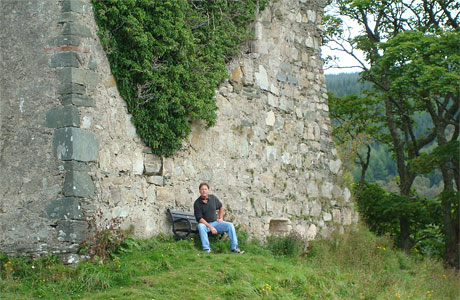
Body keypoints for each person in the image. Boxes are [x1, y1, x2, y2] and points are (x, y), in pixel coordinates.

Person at [193, 183, 244, 254]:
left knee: (230, 225)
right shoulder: (197, 203)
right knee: (200, 226)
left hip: (215, 223)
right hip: (205, 225)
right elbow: (199, 218)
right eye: (202, 189)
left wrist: (220, 218)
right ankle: (206, 249)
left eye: (205, 189)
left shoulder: (213, 198)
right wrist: (210, 227)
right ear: (199, 191)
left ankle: (234, 248)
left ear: (208, 190)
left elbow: (221, 206)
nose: (204, 191)